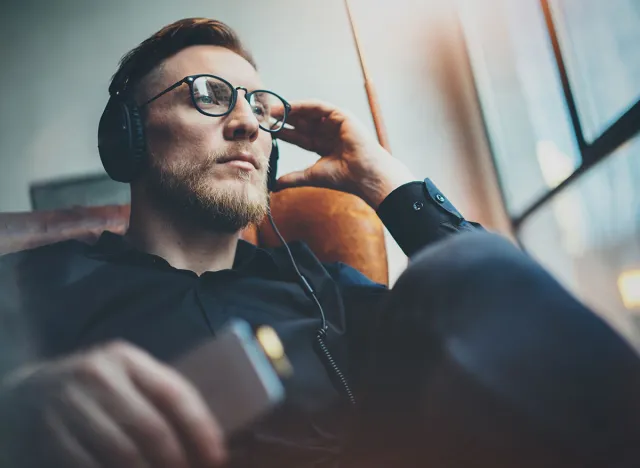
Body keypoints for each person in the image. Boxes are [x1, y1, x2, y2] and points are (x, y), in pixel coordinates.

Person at [1, 17, 639, 468]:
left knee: (466, 268)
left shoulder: (320, 284)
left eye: (257, 105)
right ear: (128, 137)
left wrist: (380, 180)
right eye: (210, 96)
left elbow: (492, 319)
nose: (249, 122)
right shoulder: (31, 286)